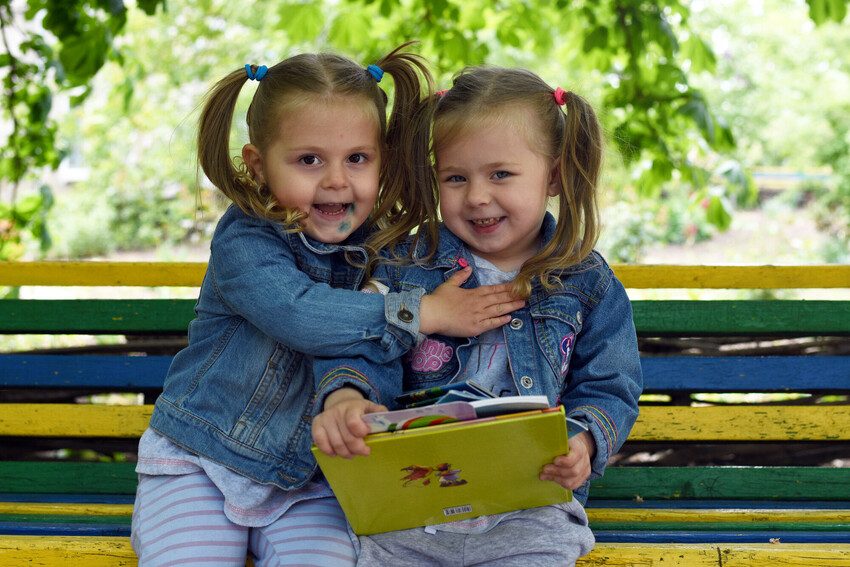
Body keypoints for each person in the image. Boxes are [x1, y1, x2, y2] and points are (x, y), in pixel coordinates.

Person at [130, 46, 526, 567]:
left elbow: (377, 361)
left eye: (357, 158)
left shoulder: (389, 253)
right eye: (309, 160)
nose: (337, 180)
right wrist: (423, 313)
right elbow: (302, 314)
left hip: (309, 478)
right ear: (258, 164)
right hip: (202, 458)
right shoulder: (246, 243)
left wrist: (355, 398)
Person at [312, 66, 643, 566]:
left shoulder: (586, 282)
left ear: (552, 174)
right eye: (456, 177)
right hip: (409, 502)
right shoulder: (410, 266)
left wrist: (585, 441)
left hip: (528, 507)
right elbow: (361, 340)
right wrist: (346, 394)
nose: (477, 197)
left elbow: (610, 384)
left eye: (501, 174)